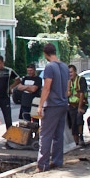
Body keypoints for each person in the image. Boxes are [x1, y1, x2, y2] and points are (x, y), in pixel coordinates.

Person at [36, 43, 69, 171]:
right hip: (63, 104)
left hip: (52, 105)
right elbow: (67, 87)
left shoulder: (49, 67)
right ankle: (57, 161)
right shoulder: (65, 67)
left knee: (45, 134)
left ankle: (43, 164)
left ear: (45, 54)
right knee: (58, 134)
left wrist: (40, 105)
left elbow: (47, 87)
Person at [66, 64, 88, 146]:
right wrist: (68, 90)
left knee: (79, 116)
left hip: (81, 104)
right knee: (73, 123)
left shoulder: (81, 80)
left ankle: (81, 137)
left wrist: (79, 107)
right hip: (71, 105)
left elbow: (82, 93)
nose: (70, 74)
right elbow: (66, 95)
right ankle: (77, 143)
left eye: (71, 72)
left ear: (75, 72)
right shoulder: (68, 82)